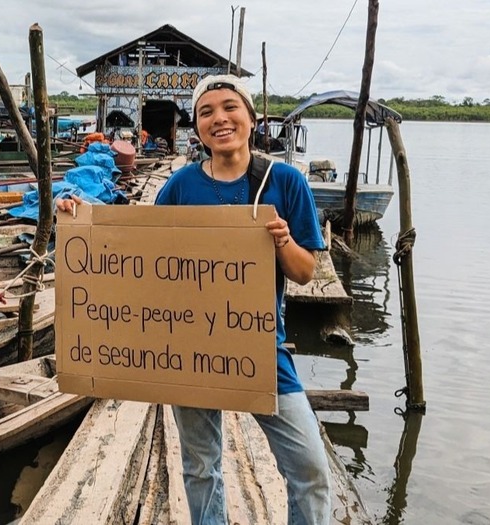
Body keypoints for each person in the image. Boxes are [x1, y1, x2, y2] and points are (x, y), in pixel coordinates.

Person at [56, 74, 330, 524]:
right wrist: (78, 217)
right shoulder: (180, 186)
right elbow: (138, 254)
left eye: (229, 107)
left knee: (310, 469)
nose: (219, 119)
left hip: (262, 349)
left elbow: (304, 273)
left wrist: (282, 240)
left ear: (250, 116)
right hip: (187, 349)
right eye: (206, 112)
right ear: (196, 127)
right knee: (201, 466)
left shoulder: (284, 181)